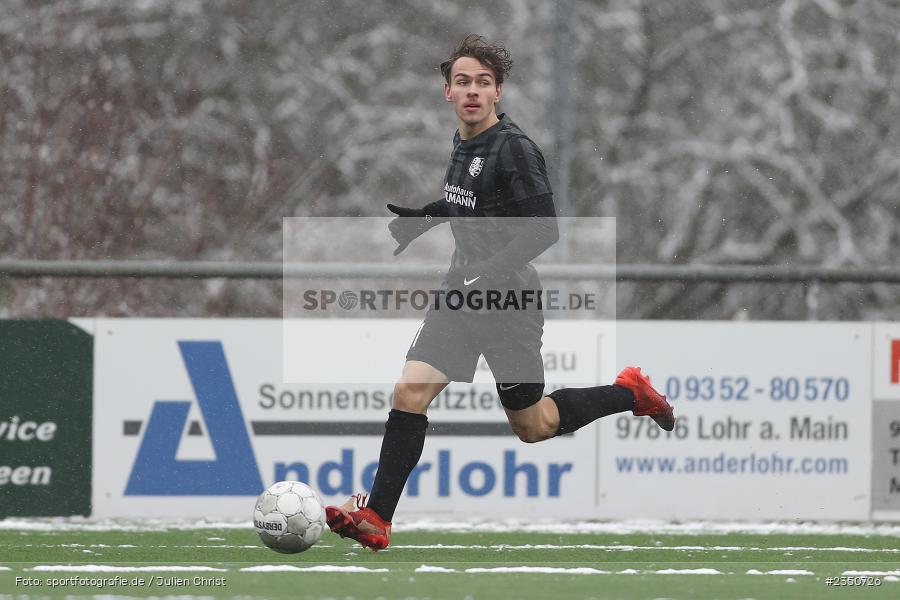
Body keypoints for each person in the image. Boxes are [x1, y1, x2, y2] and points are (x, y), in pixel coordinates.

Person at [325, 34, 674, 551]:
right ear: (447, 91)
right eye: (462, 82)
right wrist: (426, 218)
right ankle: (378, 517)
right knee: (409, 392)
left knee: (533, 426)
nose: (472, 92)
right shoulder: (463, 142)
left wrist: (485, 272)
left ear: (498, 93)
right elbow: (467, 202)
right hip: (461, 295)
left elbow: (543, 231)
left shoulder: (515, 149)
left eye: (482, 83)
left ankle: (631, 392)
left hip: (507, 302)